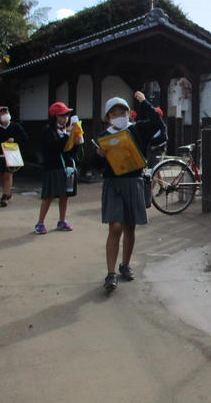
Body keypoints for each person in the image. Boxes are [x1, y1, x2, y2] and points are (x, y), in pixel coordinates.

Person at [92, 91, 162, 291]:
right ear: (108, 117)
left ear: (129, 113)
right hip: (113, 184)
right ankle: (110, 273)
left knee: (130, 227)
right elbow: (96, 166)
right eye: (114, 113)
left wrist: (144, 103)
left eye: (123, 112)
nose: (119, 116)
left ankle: (125, 265)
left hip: (133, 182)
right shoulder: (104, 137)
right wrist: (99, 155)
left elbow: (157, 123)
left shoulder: (137, 129)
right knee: (115, 227)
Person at [34, 102, 83, 234]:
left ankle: (62, 221)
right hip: (53, 167)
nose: (65, 118)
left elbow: (71, 152)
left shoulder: (67, 130)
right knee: (48, 196)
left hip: (67, 167)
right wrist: (68, 136)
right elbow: (52, 147)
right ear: (54, 117)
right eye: (61, 115)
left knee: (65, 195)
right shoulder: (48, 130)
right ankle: (40, 223)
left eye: (67, 115)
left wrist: (76, 143)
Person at [0, 105, 28, 207]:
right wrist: (2, 144)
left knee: (8, 174)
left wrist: (14, 139)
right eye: (2, 113)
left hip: (12, 154)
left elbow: (24, 137)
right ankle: (7, 193)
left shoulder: (16, 126)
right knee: (3, 176)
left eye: (6, 112)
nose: (5, 115)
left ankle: (5, 196)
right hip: (0, 155)